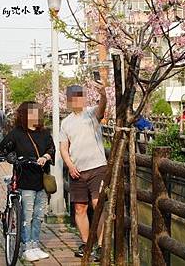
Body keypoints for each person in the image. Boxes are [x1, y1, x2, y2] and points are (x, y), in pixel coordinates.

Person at [0, 101, 55, 262]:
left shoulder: (45, 133)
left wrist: (45, 157)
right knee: (27, 215)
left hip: (41, 179)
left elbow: (51, 149)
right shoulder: (16, 134)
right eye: (32, 113)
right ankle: (26, 246)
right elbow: (3, 148)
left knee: (39, 215)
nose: (35, 116)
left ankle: (35, 244)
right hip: (24, 180)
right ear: (24, 115)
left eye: (37, 113)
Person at [59, 83, 107, 261]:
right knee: (80, 207)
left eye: (80, 96)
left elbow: (102, 108)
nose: (77, 100)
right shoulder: (66, 122)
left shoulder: (92, 114)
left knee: (98, 204)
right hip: (77, 170)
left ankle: (101, 245)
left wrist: (103, 95)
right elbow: (64, 148)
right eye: (73, 97)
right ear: (69, 100)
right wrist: (70, 165)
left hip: (97, 167)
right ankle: (87, 243)